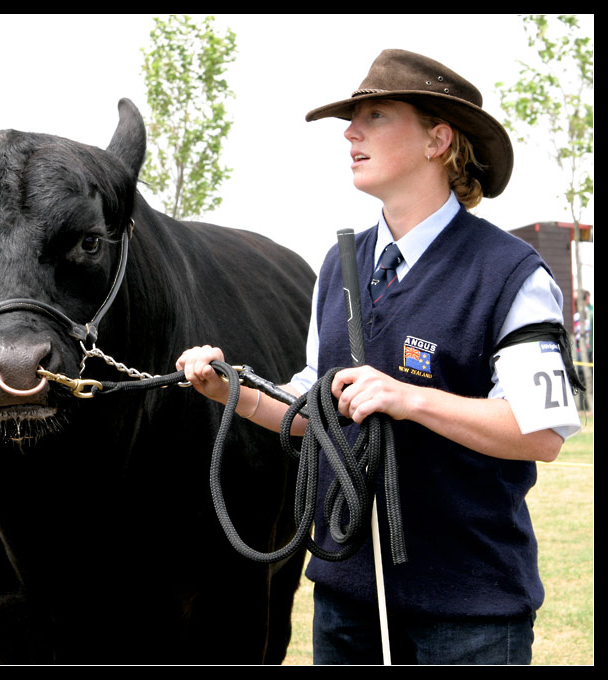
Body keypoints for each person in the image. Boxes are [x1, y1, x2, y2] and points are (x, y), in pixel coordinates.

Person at [176, 50, 582, 665]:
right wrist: (231, 391)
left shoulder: (511, 274)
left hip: (469, 612)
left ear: (437, 140)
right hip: (346, 602)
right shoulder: (338, 266)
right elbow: (316, 410)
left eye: (375, 115)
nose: (350, 133)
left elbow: (542, 433)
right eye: (352, 118)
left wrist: (409, 398)